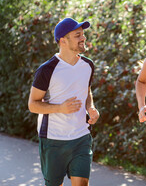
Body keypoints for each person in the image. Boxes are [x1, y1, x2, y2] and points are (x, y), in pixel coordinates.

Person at [28, 18, 100, 186]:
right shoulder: (47, 70)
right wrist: (60, 108)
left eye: (83, 34)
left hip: (81, 136)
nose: (83, 38)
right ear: (63, 40)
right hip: (53, 140)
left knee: (82, 183)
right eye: (77, 35)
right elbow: (33, 104)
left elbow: (86, 90)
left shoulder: (88, 65)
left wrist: (91, 107)